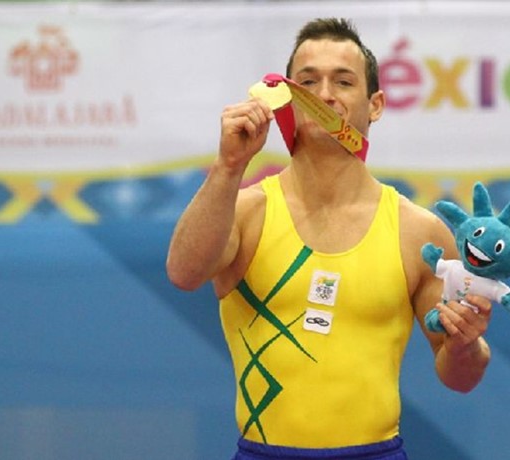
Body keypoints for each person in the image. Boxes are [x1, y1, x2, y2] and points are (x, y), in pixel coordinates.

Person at [167, 17, 492, 460]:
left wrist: (465, 343)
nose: (324, 95)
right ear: (286, 97)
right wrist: (227, 167)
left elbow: (462, 377)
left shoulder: (419, 231)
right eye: (307, 82)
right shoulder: (245, 212)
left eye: (343, 81)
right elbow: (183, 274)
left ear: (374, 104)